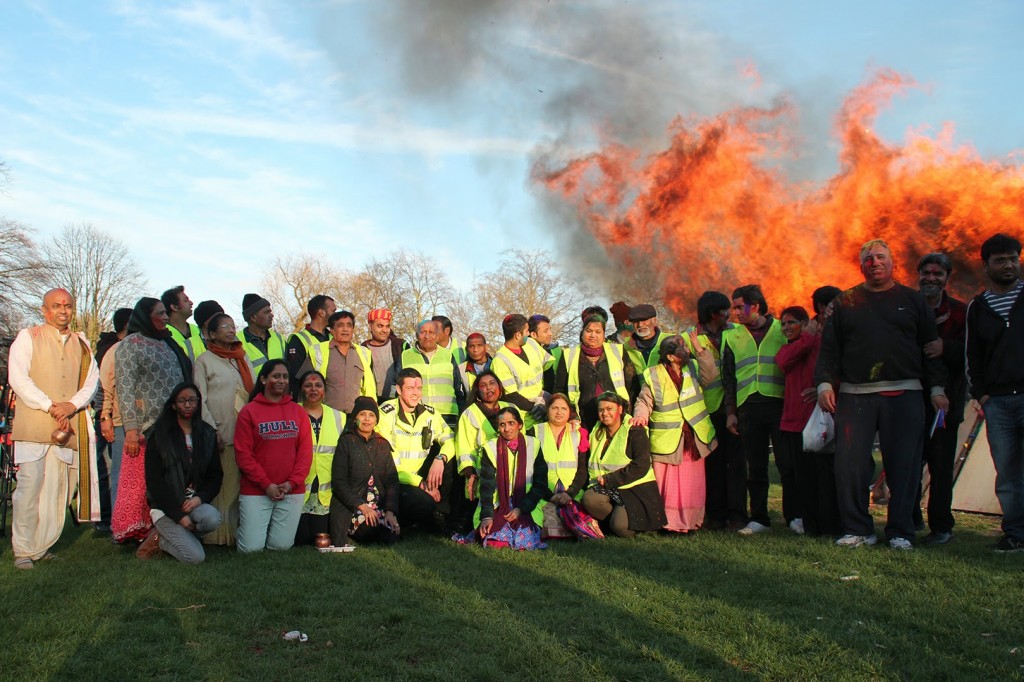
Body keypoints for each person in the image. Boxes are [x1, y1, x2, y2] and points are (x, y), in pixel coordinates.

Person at [816, 239, 948, 550]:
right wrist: (824, 383)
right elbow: (829, 350)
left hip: (905, 394)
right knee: (850, 465)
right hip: (855, 395)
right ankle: (858, 529)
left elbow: (931, 348)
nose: (874, 262)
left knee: (904, 466)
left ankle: (901, 532)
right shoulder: (846, 302)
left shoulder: (913, 301)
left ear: (892, 262)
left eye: (880, 257)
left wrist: (938, 389)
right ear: (860, 266)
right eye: (868, 258)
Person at [8, 288, 100, 569]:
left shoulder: (82, 343)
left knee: (60, 488)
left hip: (67, 428)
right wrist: (50, 406)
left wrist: (71, 406)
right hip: (35, 425)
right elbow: (18, 378)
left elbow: (91, 381)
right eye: (57, 306)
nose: (63, 311)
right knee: (30, 487)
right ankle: (23, 549)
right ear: (45, 310)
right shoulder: (28, 336)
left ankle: (43, 546)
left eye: (68, 306)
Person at [112, 297, 191, 543]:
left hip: (172, 424)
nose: (166, 317)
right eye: (160, 314)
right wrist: (132, 430)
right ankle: (137, 532)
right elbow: (125, 389)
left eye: (166, 313)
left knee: (169, 480)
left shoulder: (167, 342)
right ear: (146, 317)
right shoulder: (130, 345)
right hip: (146, 427)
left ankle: (162, 530)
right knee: (141, 483)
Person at [965, 233, 1024, 553]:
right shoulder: (979, 306)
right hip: (999, 402)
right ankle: (1015, 533)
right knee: (1007, 471)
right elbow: (972, 354)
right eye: (1000, 260)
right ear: (986, 265)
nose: (1009, 264)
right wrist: (982, 393)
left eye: (1013, 258)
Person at [722, 284, 797, 536]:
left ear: (755, 306)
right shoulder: (731, 336)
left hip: (779, 405)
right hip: (748, 408)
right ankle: (759, 518)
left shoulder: (782, 329)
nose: (735, 312)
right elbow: (728, 377)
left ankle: (794, 515)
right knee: (755, 467)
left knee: (787, 463)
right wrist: (731, 411)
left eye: (739, 306)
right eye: (733, 307)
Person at [632, 335, 718, 533]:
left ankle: (691, 523)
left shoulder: (694, 368)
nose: (687, 351)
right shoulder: (653, 374)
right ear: (670, 356)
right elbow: (644, 401)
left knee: (692, 485)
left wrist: (699, 348)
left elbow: (711, 376)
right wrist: (640, 416)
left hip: (694, 439)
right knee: (667, 484)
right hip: (667, 439)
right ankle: (667, 523)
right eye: (683, 348)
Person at [912, 253, 967, 545]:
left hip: (946, 402)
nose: (931, 278)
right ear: (918, 274)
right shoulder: (907, 306)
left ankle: (941, 527)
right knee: (907, 464)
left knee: (941, 467)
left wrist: (945, 347)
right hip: (909, 401)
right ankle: (910, 519)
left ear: (947, 278)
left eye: (938, 273)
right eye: (926, 273)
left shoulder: (961, 312)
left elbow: (974, 354)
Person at [139, 383, 223, 563]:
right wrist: (178, 516)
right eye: (182, 401)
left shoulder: (207, 434)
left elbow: (215, 475)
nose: (187, 405)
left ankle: (180, 537)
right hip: (166, 508)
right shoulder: (159, 435)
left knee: (212, 518)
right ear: (174, 405)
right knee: (195, 557)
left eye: (192, 400)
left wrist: (199, 499)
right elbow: (154, 482)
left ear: (198, 403)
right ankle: (159, 540)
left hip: (193, 503)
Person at [234, 360, 313, 552]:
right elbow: (244, 455)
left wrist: (291, 483)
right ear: (263, 379)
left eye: (285, 377)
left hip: (290, 490)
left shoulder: (298, 412)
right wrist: (266, 484)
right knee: (251, 550)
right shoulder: (249, 412)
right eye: (276, 376)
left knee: (281, 547)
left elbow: (305, 453)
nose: (281, 381)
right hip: (257, 490)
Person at [775, 306, 840, 537]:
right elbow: (783, 362)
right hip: (792, 423)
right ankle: (808, 524)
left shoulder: (821, 345)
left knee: (824, 478)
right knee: (800, 478)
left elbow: (832, 370)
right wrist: (808, 336)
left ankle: (829, 524)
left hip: (818, 424)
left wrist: (822, 387)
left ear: (805, 322)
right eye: (783, 324)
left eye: (791, 323)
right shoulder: (791, 348)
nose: (786, 328)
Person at [687, 291, 748, 531]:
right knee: (712, 467)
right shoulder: (689, 337)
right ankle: (715, 515)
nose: (729, 314)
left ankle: (738, 515)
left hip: (735, 408)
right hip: (705, 412)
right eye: (725, 310)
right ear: (714, 314)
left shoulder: (736, 332)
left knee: (737, 465)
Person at [192, 312, 254, 546]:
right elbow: (200, 399)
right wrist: (211, 431)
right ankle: (217, 536)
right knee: (222, 485)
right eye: (224, 327)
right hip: (220, 432)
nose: (230, 330)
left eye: (232, 325)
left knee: (239, 485)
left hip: (245, 432)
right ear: (212, 333)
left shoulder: (241, 358)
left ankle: (238, 533)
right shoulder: (204, 361)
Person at [375, 368, 456, 532]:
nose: (416, 393)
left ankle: (440, 515)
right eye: (410, 388)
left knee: (450, 460)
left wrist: (440, 459)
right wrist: (420, 483)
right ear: (398, 390)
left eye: (419, 388)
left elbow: (450, 438)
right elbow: (388, 464)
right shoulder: (385, 414)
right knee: (424, 503)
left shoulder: (430, 413)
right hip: (394, 480)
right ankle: (408, 522)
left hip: (419, 476)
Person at [582, 392, 666, 537]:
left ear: (620, 409)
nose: (605, 413)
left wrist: (610, 479)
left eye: (609, 409)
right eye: (601, 410)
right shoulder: (597, 430)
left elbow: (641, 465)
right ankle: (613, 521)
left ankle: (638, 528)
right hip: (608, 487)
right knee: (589, 499)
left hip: (634, 489)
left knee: (620, 528)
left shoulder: (634, 429)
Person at [472, 407, 550, 549]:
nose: (507, 429)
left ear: (520, 425)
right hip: (499, 504)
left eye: (511, 423)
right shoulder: (490, 448)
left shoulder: (534, 444)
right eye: (502, 425)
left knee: (525, 540)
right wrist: (487, 516)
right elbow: (486, 487)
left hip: (527, 503)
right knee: (494, 539)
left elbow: (540, 484)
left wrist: (521, 508)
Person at [329, 396, 400, 546]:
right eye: (362, 414)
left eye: (371, 415)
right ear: (355, 418)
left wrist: (390, 511)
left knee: (391, 534)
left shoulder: (382, 444)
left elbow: (392, 480)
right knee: (370, 528)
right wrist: (362, 506)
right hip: (354, 504)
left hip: (377, 504)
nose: (367, 419)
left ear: (376, 420)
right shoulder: (346, 442)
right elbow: (339, 482)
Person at [554, 313, 635, 430]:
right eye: (589, 331)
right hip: (583, 419)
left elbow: (632, 386)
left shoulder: (618, 351)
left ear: (604, 335)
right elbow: (560, 390)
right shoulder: (568, 355)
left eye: (598, 332)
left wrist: (627, 412)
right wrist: (571, 415)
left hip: (617, 418)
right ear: (582, 333)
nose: (593, 335)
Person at [294, 370, 347, 546]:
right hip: (299, 487)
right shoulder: (292, 413)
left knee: (319, 537)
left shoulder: (339, 416)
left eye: (318, 385)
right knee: (301, 539)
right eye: (308, 385)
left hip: (326, 489)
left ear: (325, 390)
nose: (313, 389)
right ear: (301, 389)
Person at [94, 306, 132, 533]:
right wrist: (105, 416)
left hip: (128, 420)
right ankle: (114, 523)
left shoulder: (135, 347)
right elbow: (104, 387)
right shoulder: (113, 350)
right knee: (115, 472)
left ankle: (128, 522)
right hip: (116, 420)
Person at [534, 393, 590, 539]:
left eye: (564, 408)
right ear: (547, 410)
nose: (559, 412)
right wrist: (550, 496)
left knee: (581, 520)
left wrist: (569, 493)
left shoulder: (579, 433)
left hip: (572, 492)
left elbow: (582, 470)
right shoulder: (534, 431)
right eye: (555, 408)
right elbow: (530, 469)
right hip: (543, 492)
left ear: (569, 412)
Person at [395, 319, 465, 427]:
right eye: (423, 332)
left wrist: (461, 414)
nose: (427, 336)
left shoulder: (448, 356)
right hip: (417, 415)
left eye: (431, 332)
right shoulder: (405, 356)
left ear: (437, 336)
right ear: (417, 335)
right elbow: (396, 389)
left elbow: (458, 389)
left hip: (447, 416)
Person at [303, 310, 375, 414]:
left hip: (356, 417)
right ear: (332, 329)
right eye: (340, 325)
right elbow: (304, 385)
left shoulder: (364, 353)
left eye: (349, 325)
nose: (345, 329)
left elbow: (369, 387)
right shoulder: (317, 351)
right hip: (327, 416)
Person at [491, 314, 553, 430]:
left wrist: (548, 398)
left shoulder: (531, 344)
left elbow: (548, 369)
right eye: (526, 331)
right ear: (517, 335)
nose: (529, 334)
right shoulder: (500, 360)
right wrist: (535, 406)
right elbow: (510, 395)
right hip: (523, 419)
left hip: (544, 413)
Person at [361, 307, 407, 402]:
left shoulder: (400, 346)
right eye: (380, 326)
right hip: (372, 401)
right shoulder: (362, 349)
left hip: (397, 400)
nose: (384, 330)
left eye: (387, 326)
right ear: (370, 327)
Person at [286, 294, 336, 379]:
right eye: (333, 311)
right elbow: (295, 376)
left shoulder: (334, 337)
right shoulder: (298, 340)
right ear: (322, 313)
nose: (336, 316)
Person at [237, 293, 286, 373]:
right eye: (267, 312)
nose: (272, 315)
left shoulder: (279, 339)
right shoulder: (236, 342)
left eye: (270, 311)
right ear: (253, 317)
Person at [622, 304, 671, 376]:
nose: (640, 325)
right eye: (636, 322)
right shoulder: (625, 348)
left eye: (644, 320)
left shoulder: (671, 341)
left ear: (654, 320)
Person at [162, 286, 206, 363]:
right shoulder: (162, 334)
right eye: (186, 300)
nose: (191, 303)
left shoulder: (197, 330)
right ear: (174, 307)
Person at [528, 314, 560, 393]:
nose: (550, 333)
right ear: (533, 334)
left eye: (550, 329)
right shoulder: (527, 353)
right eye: (546, 331)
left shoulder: (550, 350)